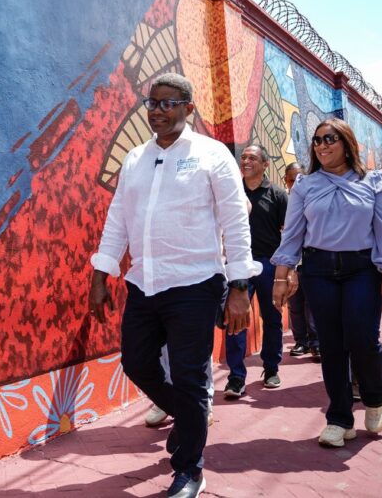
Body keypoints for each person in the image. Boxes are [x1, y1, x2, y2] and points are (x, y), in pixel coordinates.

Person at [89, 73, 260, 498]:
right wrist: (101, 273)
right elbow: (118, 219)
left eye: (169, 104)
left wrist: (240, 285)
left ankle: (189, 470)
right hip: (144, 283)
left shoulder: (211, 154)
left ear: (188, 108)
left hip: (195, 283)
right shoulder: (135, 158)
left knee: (188, 376)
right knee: (137, 363)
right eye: (153, 103)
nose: (158, 111)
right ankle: (189, 419)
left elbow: (236, 219)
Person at [271, 118, 382, 448]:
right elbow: (293, 233)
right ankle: (339, 418)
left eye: (329, 138)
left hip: (361, 268)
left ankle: (375, 397)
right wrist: (281, 275)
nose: (322, 145)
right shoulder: (304, 184)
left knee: (362, 338)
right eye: (317, 140)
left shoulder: (372, 181)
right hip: (319, 269)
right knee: (331, 345)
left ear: (346, 142)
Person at [223, 145, 286, 398]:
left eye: (252, 158)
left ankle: (271, 369)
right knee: (234, 320)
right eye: (244, 157)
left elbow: (290, 233)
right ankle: (236, 377)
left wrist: (287, 270)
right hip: (239, 265)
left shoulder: (277, 195)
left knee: (272, 318)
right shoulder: (231, 192)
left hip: (269, 263)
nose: (246, 161)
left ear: (265, 164)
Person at [283, 162, 320, 359]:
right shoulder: (283, 199)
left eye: (298, 178)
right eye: (290, 180)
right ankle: (301, 342)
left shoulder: (313, 198)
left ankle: (316, 343)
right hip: (290, 262)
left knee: (312, 305)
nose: (294, 183)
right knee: (295, 305)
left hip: (310, 260)